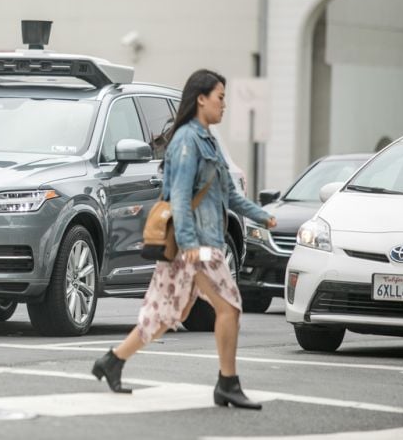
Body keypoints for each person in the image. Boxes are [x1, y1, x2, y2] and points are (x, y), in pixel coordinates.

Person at [91, 69, 276, 409]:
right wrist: (190, 245)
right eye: (220, 97)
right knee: (230, 307)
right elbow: (178, 197)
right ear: (201, 98)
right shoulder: (187, 142)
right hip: (196, 246)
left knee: (163, 314)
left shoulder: (209, 142)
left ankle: (112, 361)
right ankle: (227, 383)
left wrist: (261, 215)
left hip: (198, 245)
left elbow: (229, 196)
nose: (225, 105)